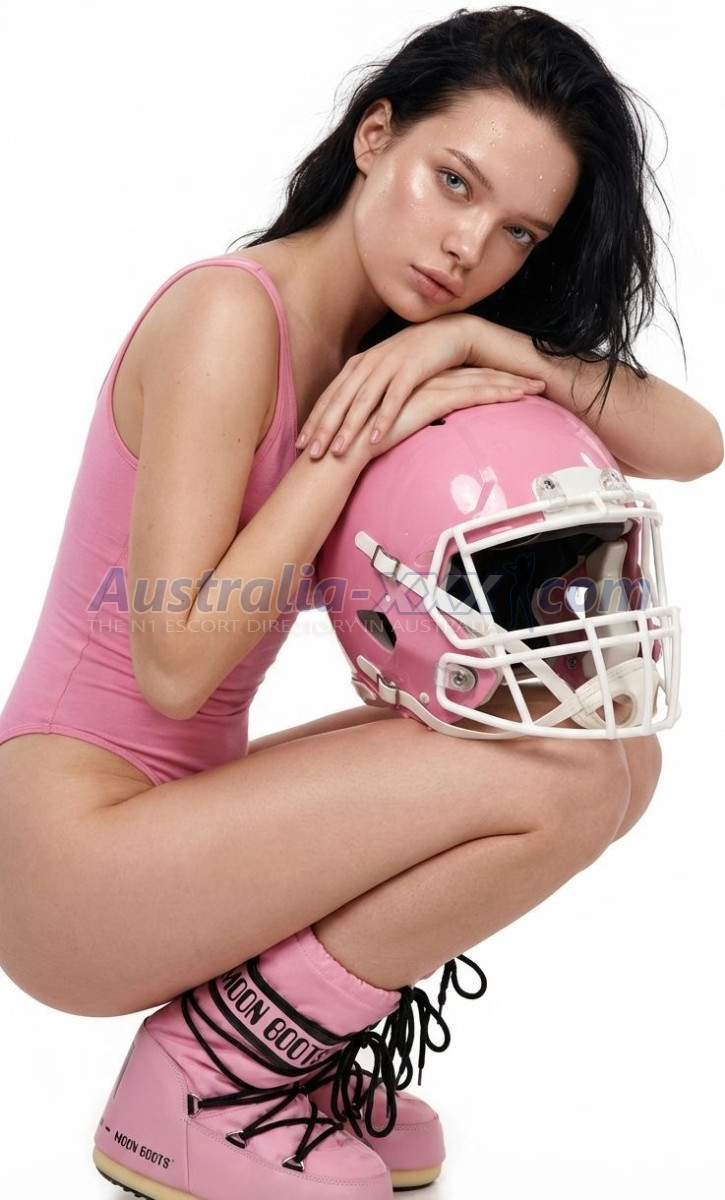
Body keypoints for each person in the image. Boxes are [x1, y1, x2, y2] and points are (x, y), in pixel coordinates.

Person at [0, 6, 721, 1198]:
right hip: (66, 858)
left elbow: (693, 445)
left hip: (179, 824)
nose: (466, 246)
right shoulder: (231, 315)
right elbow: (173, 666)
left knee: (612, 750)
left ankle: (278, 1059)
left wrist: (493, 348)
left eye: (516, 231)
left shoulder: (405, 335)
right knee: (564, 776)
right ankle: (208, 1078)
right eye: (452, 181)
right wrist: (351, 445)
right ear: (373, 136)